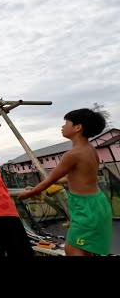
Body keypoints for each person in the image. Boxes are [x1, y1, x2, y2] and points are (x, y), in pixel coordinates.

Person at [18, 108, 112, 256]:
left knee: (72, 249)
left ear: (77, 127)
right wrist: (55, 182)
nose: (63, 126)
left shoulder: (72, 154)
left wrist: (30, 192)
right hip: (95, 203)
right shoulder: (90, 149)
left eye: (66, 122)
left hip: (85, 207)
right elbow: (76, 176)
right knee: (84, 249)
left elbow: (50, 179)